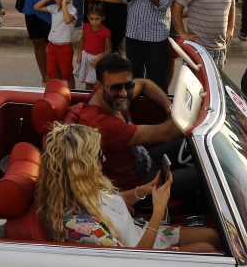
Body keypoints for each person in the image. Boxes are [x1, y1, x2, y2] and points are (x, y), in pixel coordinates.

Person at [36, 123, 221, 252]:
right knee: (207, 249)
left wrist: (143, 190)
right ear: (81, 167)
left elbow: (107, 203)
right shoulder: (82, 228)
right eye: (98, 155)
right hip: (143, 250)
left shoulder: (81, 189)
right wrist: (158, 211)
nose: (103, 159)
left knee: (212, 235)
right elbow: (135, 259)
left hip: (141, 232)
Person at [76, 53, 198, 198]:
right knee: (202, 175)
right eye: (116, 88)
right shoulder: (103, 125)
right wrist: (197, 105)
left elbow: (145, 84)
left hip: (142, 159)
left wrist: (169, 108)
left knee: (186, 144)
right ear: (100, 86)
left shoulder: (110, 96)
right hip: (139, 187)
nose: (123, 93)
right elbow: (170, 132)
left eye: (128, 85)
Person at [35, 0, 77, 87]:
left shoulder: (72, 10)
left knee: (66, 74)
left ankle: (72, 94)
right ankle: (58, 93)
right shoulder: (54, 8)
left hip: (64, 47)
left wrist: (63, 4)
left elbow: (67, 20)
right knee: (52, 73)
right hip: (52, 46)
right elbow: (36, 7)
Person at [75, 4, 111, 89]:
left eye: (97, 19)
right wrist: (79, 54)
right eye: (91, 19)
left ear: (103, 18)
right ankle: (88, 100)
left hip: (98, 60)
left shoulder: (106, 32)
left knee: (97, 83)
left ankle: (97, 100)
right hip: (86, 57)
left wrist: (98, 59)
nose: (94, 21)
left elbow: (108, 49)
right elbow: (82, 41)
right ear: (88, 17)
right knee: (87, 82)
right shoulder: (86, 27)